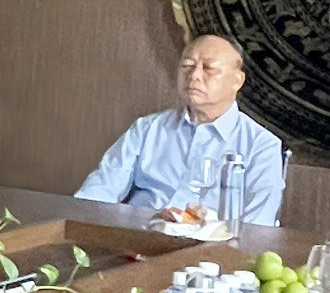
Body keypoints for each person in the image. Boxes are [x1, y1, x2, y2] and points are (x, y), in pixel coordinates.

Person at [77, 34, 287, 223]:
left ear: (237, 80)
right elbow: (98, 192)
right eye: (187, 65)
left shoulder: (261, 146)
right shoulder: (147, 129)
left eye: (209, 68)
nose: (194, 75)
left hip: (209, 249)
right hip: (137, 237)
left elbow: (257, 227)